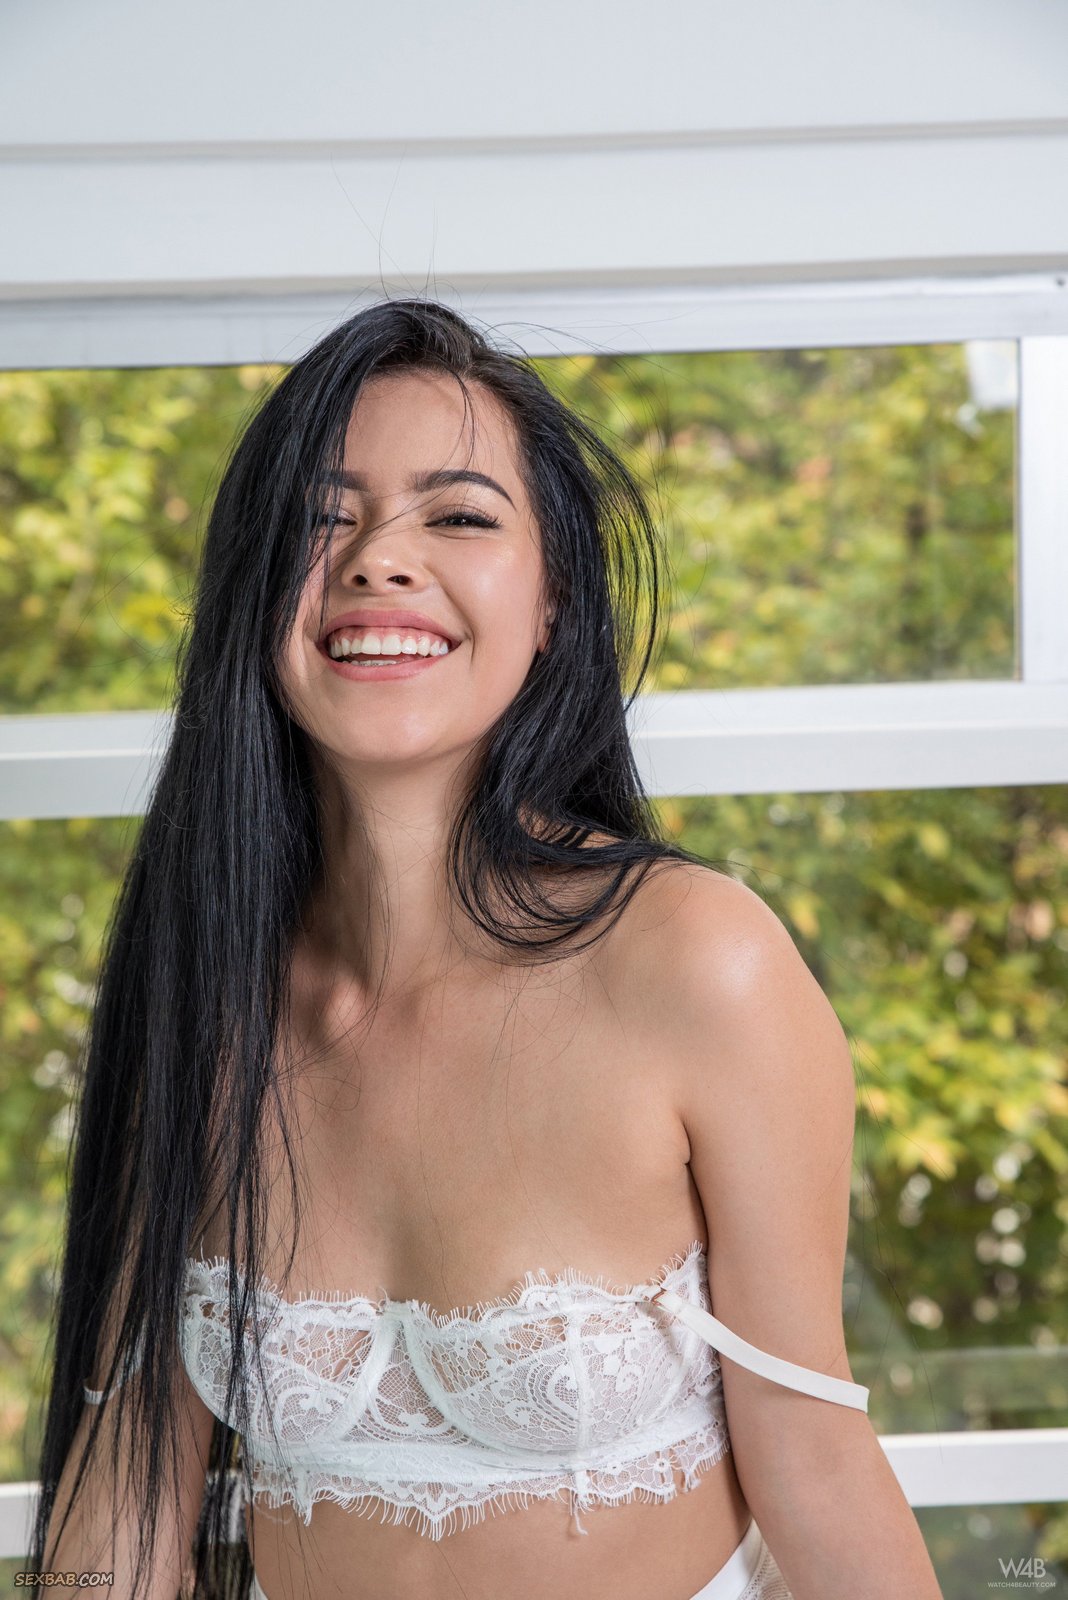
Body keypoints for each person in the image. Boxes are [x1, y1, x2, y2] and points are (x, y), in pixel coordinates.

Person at [31, 298, 943, 1599]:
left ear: (553, 600)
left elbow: (816, 1465)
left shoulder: (700, 963)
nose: (377, 560)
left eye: (457, 515)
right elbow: (130, 1479)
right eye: (321, 517)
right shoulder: (210, 988)